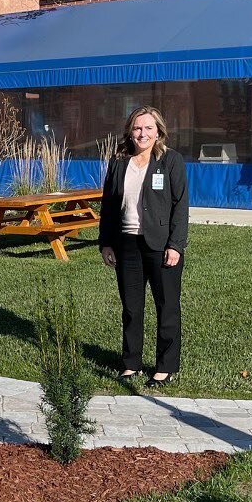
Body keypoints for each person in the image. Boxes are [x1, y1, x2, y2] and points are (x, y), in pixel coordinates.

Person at [99, 106, 189, 386]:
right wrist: (106, 243)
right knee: (131, 308)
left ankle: (165, 366)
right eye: (138, 128)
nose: (143, 134)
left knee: (167, 306)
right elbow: (109, 205)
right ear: (130, 130)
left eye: (149, 128)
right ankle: (131, 363)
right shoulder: (119, 160)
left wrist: (175, 244)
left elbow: (180, 205)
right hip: (126, 243)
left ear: (159, 131)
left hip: (161, 246)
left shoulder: (171, 160)